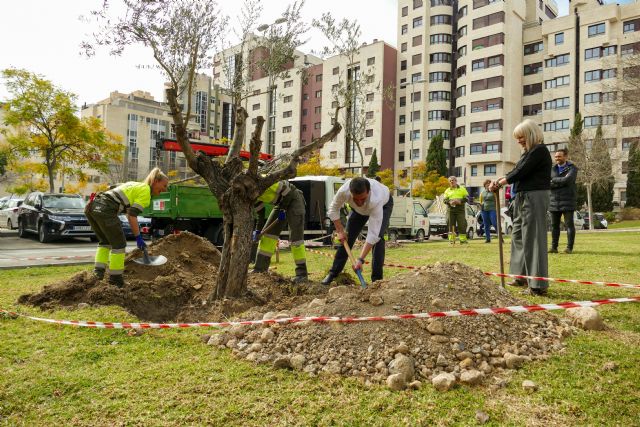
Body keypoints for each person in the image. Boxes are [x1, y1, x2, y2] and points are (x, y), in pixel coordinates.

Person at [490, 119, 552, 296]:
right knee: (517, 234)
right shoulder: (528, 152)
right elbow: (516, 171)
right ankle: (520, 276)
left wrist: (501, 182)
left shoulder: (539, 150)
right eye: (517, 138)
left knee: (533, 237)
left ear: (531, 134)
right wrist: (501, 180)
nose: (519, 141)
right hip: (522, 197)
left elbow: (521, 171)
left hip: (535, 196)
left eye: (521, 137)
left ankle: (538, 285)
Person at [85, 168, 169, 288]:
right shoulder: (145, 192)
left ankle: (98, 274)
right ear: (155, 181)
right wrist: (138, 237)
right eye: (164, 185)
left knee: (105, 242)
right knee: (119, 244)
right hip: (105, 209)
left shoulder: (134, 184)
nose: (165, 189)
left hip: (92, 206)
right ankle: (115, 280)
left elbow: (112, 188)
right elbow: (132, 215)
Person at [321, 177, 393, 285]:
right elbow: (333, 208)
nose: (359, 202)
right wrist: (340, 231)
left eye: (362, 199)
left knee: (378, 239)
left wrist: (360, 260)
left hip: (384, 206)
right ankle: (333, 273)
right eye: (356, 199)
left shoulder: (376, 199)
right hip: (358, 212)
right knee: (347, 238)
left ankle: (377, 280)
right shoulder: (343, 191)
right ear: (350, 193)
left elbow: (373, 234)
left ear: (368, 192)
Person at [252, 180, 308, 284]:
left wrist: (283, 209)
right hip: (281, 204)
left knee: (296, 240)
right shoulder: (249, 194)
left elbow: (289, 192)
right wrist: (258, 231)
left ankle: (302, 274)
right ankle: (260, 269)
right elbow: (260, 213)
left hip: (294, 200)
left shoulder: (267, 182)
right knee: (267, 236)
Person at [549, 148, 579, 254]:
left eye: (559, 156)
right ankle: (554, 247)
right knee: (554, 226)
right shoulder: (552, 169)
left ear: (565, 157)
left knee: (569, 225)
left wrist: (554, 180)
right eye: (556, 156)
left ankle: (569, 248)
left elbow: (569, 180)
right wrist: (561, 181)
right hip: (553, 201)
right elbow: (548, 183)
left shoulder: (573, 168)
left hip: (568, 200)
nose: (557, 158)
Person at [443, 176, 469, 244]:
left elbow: (467, 198)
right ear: (449, 182)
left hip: (460, 209)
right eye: (450, 181)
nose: (452, 182)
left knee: (462, 224)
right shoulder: (447, 190)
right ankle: (452, 240)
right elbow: (445, 200)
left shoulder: (462, 189)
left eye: (453, 180)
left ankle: (463, 240)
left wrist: (460, 201)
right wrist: (449, 202)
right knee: (450, 224)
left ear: (456, 181)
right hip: (450, 210)